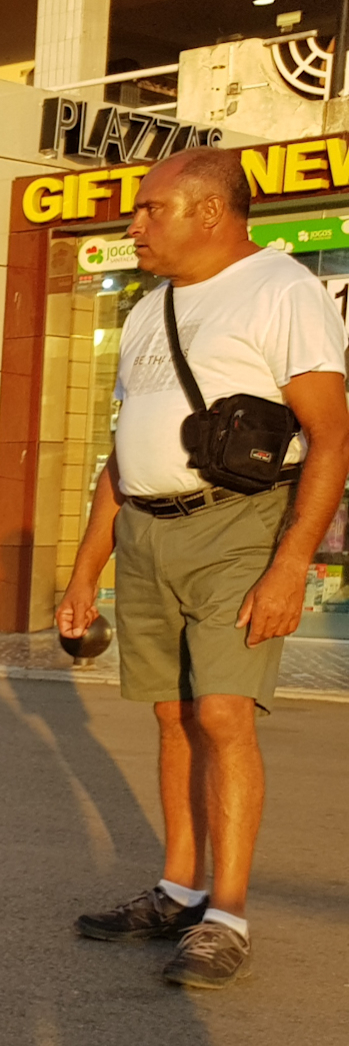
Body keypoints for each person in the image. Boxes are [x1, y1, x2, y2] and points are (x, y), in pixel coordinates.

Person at [56, 146, 349, 989]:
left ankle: (227, 914)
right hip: (146, 531)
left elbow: (331, 436)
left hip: (237, 528)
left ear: (210, 212)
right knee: (172, 716)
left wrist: (292, 563)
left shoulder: (283, 291)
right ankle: (178, 887)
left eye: (150, 209)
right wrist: (85, 574)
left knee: (223, 715)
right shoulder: (152, 309)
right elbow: (122, 453)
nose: (133, 224)